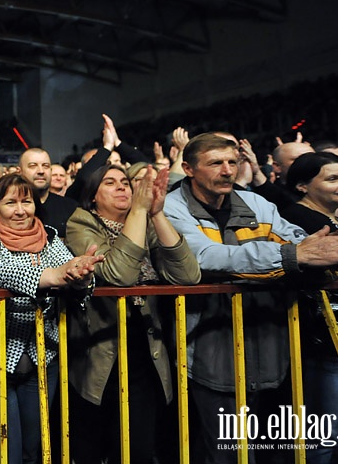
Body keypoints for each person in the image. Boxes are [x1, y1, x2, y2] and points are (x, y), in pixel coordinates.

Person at [163, 133, 338, 463]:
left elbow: (298, 240)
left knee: (271, 450)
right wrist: (291, 258)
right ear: (188, 169)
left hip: (271, 344)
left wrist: (331, 253)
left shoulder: (257, 203)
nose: (227, 170)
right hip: (210, 345)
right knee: (226, 451)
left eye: (233, 162)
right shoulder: (172, 207)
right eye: (215, 163)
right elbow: (204, 256)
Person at [66, 163, 200, 464]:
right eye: (110, 182)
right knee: (95, 447)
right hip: (101, 351)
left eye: (126, 182)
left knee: (137, 449)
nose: (122, 187)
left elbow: (188, 275)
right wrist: (139, 213)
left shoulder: (146, 222)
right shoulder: (80, 223)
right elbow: (119, 275)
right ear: (93, 197)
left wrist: (155, 213)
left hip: (146, 348)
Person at [0, 174, 99, 464]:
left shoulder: (50, 237)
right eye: (10, 203)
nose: (20, 210)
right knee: (3, 457)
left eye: (26, 201)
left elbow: (74, 278)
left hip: (42, 364)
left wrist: (80, 278)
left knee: (34, 454)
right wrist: (51, 275)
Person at [280, 152, 338, 463]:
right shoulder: (300, 219)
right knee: (325, 432)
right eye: (333, 178)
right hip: (329, 337)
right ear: (302, 186)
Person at [19, 148, 77, 237]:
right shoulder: (10, 208)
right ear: (20, 171)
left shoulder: (71, 207)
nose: (41, 171)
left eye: (45, 166)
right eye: (33, 166)